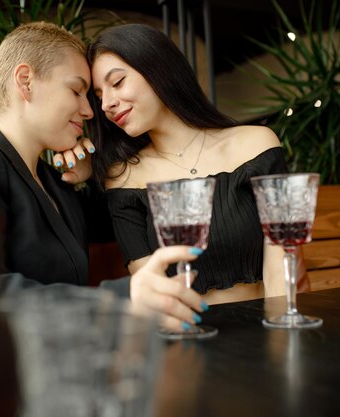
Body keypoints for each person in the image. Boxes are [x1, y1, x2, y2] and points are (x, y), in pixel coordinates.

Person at [0, 22, 206, 331]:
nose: (91, 110)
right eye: (76, 90)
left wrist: (92, 174)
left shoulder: (57, 184)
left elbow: (123, 221)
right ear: (25, 82)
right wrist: (122, 298)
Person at [86, 23, 287, 305]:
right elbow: (152, 289)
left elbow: (279, 259)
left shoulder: (257, 144)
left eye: (117, 82)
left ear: (159, 68)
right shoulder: (123, 177)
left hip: (262, 329)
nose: (107, 103)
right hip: (186, 335)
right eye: (98, 97)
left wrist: (281, 335)